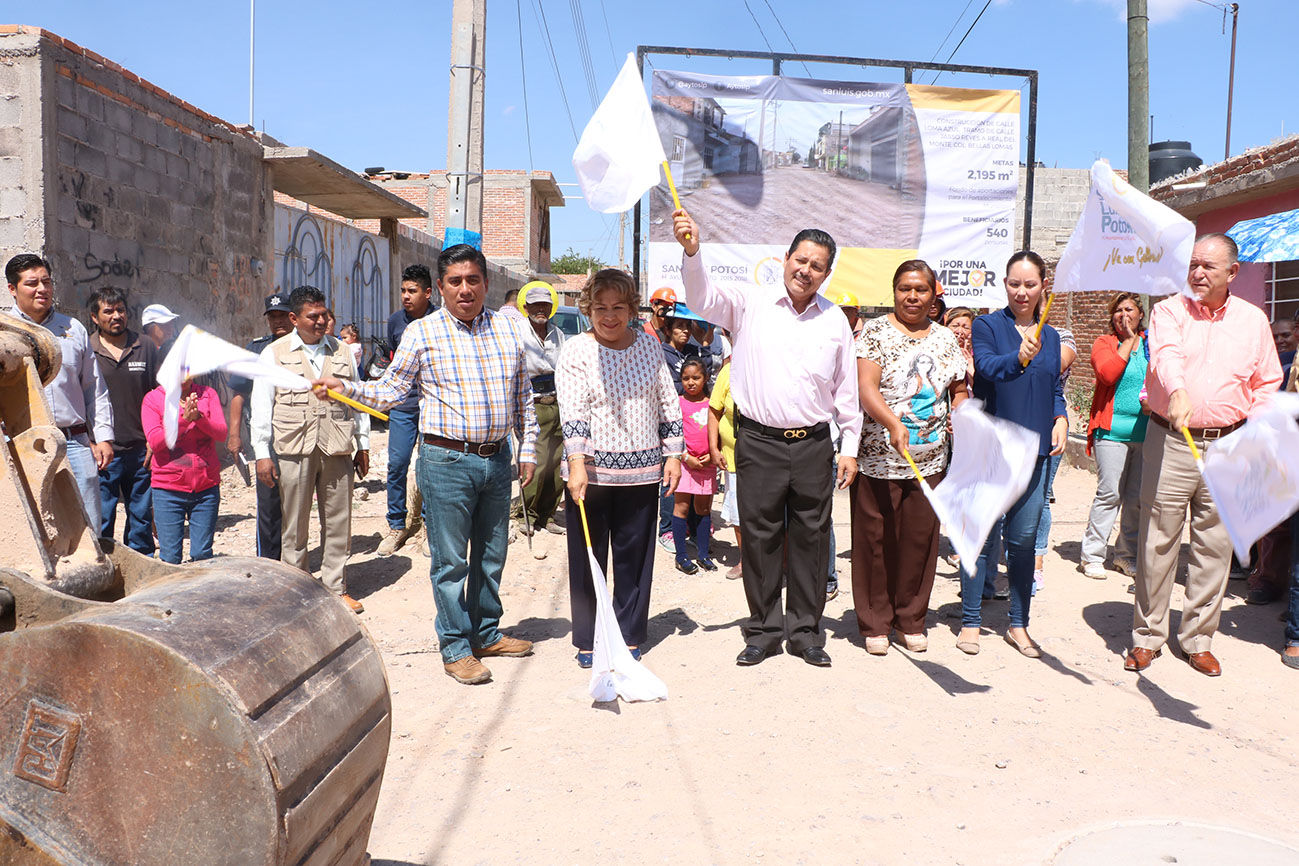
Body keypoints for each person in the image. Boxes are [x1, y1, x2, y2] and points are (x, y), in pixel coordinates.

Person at [312, 244, 539, 686]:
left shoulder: (510, 330)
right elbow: (391, 391)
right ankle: (456, 646)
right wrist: (345, 388)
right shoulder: (423, 333)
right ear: (441, 288)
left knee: (492, 556)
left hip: (497, 461)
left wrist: (527, 449)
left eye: (473, 280)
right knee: (451, 562)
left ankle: (486, 632)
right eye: (455, 281)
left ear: (486, 284)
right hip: (446, 461)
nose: (465, 289)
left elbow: (524, 400)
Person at [674, 209, 861, 669]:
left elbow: (846, 392)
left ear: (827, 273)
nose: (806, 271)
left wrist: (850, 447)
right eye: (801, 260)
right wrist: (692, 252)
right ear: (785, 258)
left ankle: (806, 632)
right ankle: (763, 630)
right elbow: (701, 296)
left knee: (811, 540)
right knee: (759, 539)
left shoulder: (834, 320)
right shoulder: (748, 303)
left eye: (817, 266)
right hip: (757, 443)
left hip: (815, 445)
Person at [1126, 233, 1282, 677]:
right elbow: (1166, 356)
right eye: (1193, 264)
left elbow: (1267, 382)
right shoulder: (1169, 310)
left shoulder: (1254, 321)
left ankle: (1198, 638)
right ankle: (1148, 637)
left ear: (1232, 272)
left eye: (1208, 266)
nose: (1197, 273)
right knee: (1159, 541)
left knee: (1214, 545)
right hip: (1171, 438)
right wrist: (1176, 391)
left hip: (1230, 443)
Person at [556, 268, 683, 668]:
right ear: (588, 309)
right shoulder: (576, 350)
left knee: (634, 559)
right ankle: (590, 638)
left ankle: (628, 633)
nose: (608, 316)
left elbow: (668, 401)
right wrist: (577, 463)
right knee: (587, 559)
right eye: (600, 308)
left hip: (643, 474)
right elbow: (572, 410)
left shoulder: (648, 346)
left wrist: (674, 454)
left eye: (618, 307)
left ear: (631, 309)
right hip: (589, 476)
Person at [853, 261, 967, 655]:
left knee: (919, 542)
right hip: (879, 458)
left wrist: (963, 416)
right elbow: (866, 388)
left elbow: (958, 388)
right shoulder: (876, 333)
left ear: (934, 294)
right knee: (876, 542)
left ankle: (911, 619)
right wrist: (890, 421)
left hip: (930, 460)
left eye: (920, 289)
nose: (912, 297)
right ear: (894, 290)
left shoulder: (945, 339)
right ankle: (875, 623)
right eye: (904, 288)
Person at [961, 251, 1067, 658]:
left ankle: (1018, 624)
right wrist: (1019, 356)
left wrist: (1060, 415)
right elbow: (987, 368)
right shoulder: (988, 325)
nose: (1022, 292)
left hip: (1036, 451)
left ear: (1044, 286)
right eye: (1014, 284)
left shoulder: (1052, 336)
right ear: (1004, 284)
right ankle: (971, 620)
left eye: (1030, 284)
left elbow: (1053, 386)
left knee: (1022, 541)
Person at [251, 285, 370, 614]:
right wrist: (262, 453)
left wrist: (363, 444)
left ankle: (335, 586)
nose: (320, 322)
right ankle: (297, 587)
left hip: (336, 445)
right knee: (295, 523)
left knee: (338, 520)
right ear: (294, 318)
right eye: (312, 316)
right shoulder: (274, 354)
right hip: (294, 446)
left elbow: (356, 400)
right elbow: (261, 405)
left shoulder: (342, 352)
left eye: (323, 315)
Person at [5, 254, 114, 529]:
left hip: (74, 443)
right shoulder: (4, 333)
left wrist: (103, 438)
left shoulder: (72, 329)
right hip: (22, 444)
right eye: (32, 283)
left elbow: (95, 388)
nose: (42, 289)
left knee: (88, 523)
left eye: (46, 281)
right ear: (12, 289)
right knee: (34, 523)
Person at [89, 286, 162, 556]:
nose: (116, 315)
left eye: (120, 309)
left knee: (141, 515)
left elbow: (159, 395)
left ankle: (141, 562)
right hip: (103, 450)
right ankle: (104, 567)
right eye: (108, 311)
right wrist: (91, 442)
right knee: (102, 515)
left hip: (142, 447)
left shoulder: (145, 347)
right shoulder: (88, 349)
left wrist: (156, 438)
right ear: (95, 317)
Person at [1080, 292, 1148, 580]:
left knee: (1135, 498)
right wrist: (1129, 341)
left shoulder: (1153, 345)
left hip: (1145, 433)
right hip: (1111, 432)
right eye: (1118, 311)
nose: (1123, 315)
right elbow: (1108, 374)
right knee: (1110, 493)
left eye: (1129, 309)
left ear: (1140, 314)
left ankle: (1125, 556)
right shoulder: (1105, 343)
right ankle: (1092, 556)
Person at [228, 291, 292, 559]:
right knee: (269, 504)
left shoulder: (305, 346)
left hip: (299, 434)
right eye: (272, 316)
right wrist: (234, 434)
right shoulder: (256, 350)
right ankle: (269, 562)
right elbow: (239, 394)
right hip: (266, 436)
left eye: (281, 316)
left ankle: (296, 562)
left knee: (298, 505)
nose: (277, 321)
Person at [377, 264, 434, 556]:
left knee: (428, 468)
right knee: (397, 464)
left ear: (428, 292)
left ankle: (427, 526)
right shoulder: (395, 322)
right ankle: (397, 525)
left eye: (412, 291)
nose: (406, 297)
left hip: (433, 407)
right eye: (403, 291)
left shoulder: (440, 320)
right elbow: (392, 362)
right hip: (403, 405)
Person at [141, 376, 225, 563]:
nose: (183, 376)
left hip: (206, 488)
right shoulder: (153, 399)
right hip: (168, 490)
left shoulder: (207, 395)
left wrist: (199, 419)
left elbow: (221, 433)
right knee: (170, 557)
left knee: (202, 554)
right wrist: (184, 420)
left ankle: (200, 593)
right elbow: (155, 441)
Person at [516, 281, 567, 535]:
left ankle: (547, 515)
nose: (541, 310)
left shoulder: (557, 334)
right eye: (536, 305)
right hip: (532, 403)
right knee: (535, 461)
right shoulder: (517, 332)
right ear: (526, 307)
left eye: (545, 305)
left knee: (556, 463)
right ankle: (527, 514)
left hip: (557, 401)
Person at [1031, 325, 1077, 592]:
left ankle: (1036, 566)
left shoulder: (1061, 335)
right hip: (1013, 423)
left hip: (1051, 421)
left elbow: (1055, 367)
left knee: (1042, 497)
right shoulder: (1003, 328)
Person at [673, 358, 717, 574]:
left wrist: (712, 455)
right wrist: (684, 456)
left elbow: (717, 433)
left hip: (707, 464)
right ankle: (681, 556)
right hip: (684, 463)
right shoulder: (677, 403)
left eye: (696, 378)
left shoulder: (712, 404)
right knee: (681, 507)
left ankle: (703, 554)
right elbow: (672, 434)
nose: (691, 382)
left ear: (705, 378)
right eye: (686, 378)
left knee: (703, 508)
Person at [708, 357, 742, 580]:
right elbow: (714, 411)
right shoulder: (728, 371)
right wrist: (713, 447)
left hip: (766, 457)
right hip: (732, 458)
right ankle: (745, 559)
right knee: (739, 511)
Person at [661, 315, 700, 394]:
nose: (686, 330)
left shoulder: (693, 351)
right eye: (680, 326)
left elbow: (705, 378)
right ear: (668, 331)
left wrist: (706, 344)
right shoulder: (661, 354)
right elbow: (668, 386)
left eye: (688, 326)